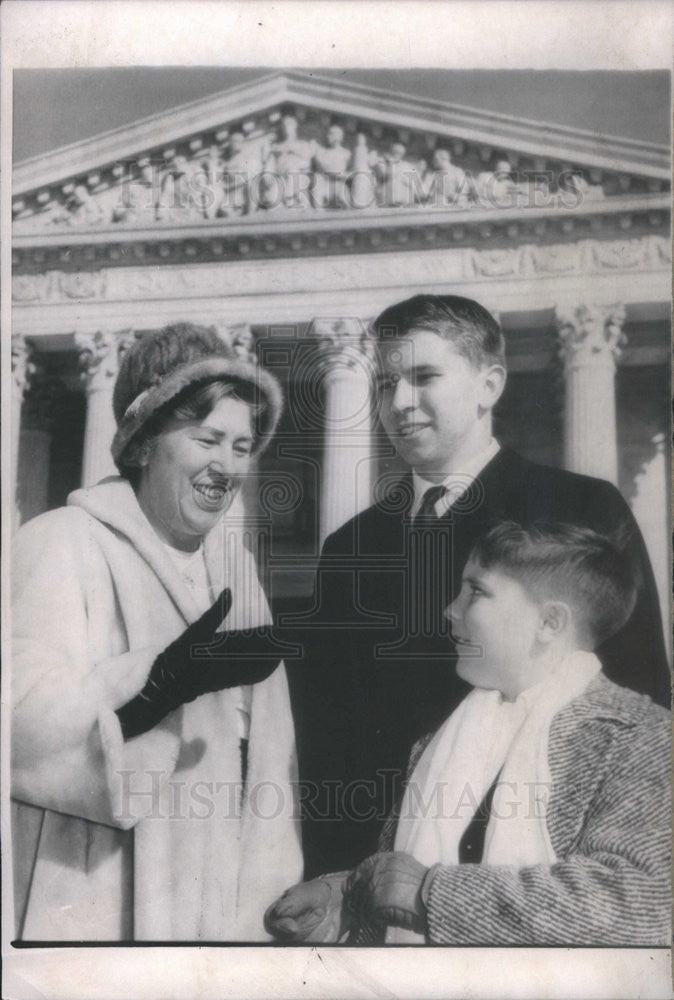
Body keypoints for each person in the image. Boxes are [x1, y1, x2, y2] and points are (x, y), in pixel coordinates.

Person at [286, 294, 669, 879]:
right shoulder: (350, 548)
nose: (399, 403)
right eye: (386, 383)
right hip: (374, 877)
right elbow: (325, 738)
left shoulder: (580, 507)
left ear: (489, 384)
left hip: (534, 867)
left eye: (424, 377)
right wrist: (335, 876)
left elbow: (637, 701)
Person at [11, 322, 302, 941]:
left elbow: (272, 770)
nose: (227, 466)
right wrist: (149, 689)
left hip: (219, 910)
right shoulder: (61, 542)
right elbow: (17, 733)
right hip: (91, 904)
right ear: (143, 445)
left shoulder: (235, 574)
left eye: (242, 446)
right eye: (208, 439)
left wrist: (270, 906)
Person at [263, 523, 671, 946]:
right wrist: (347, 897)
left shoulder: (639, 737)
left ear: (549, 622)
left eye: (475, 591)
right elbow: (417, 879)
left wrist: (430, 896)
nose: (451, 610)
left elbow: (640, 903)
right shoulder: (441, 739)